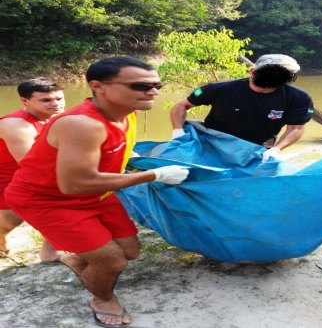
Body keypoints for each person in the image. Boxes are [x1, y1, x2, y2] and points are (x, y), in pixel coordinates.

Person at [5, 57, 189, 328]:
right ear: (98, 86)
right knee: (113, 261)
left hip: (95, 193)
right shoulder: (81, 124)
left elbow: (110, 153)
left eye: (156, 85)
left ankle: (76, 258)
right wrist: (154, 175)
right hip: (48, 200)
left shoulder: (128, 112)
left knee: (131, 250)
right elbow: (73, 185)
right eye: (140, 85)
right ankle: (102, 299)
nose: (153, 92)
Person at [170, 54, 314, 162]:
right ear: (253, 72)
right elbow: (182, 105)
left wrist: (277, 149)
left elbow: (295, 128)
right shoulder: (219, 89)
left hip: (257, 150)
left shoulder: (299, 98)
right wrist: (177, 131)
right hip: (212, 145)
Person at [0, 77, 65, 261]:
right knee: (11, 219)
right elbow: (33, 165)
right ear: (24, 101)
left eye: (59, 99)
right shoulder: (16, 124)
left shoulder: (59, 118)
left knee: (61, 200)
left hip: (25, 175)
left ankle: (50, 252)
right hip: (8, 176)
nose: (55, 104)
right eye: (46, 100)